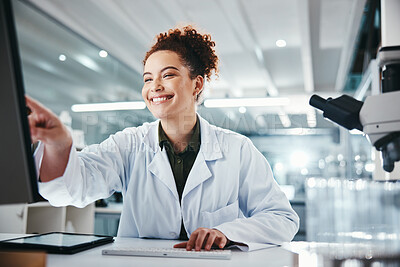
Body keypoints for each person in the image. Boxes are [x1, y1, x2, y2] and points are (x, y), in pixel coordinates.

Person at [27, 25, 299, 251]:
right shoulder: (128, 144)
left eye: (167, 75)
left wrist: (225, 232)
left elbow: (282, 219)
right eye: (147, 79)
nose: (154, 87)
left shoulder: (237, 149)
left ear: (197, 84)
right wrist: (59, 145)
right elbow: (72, 188)